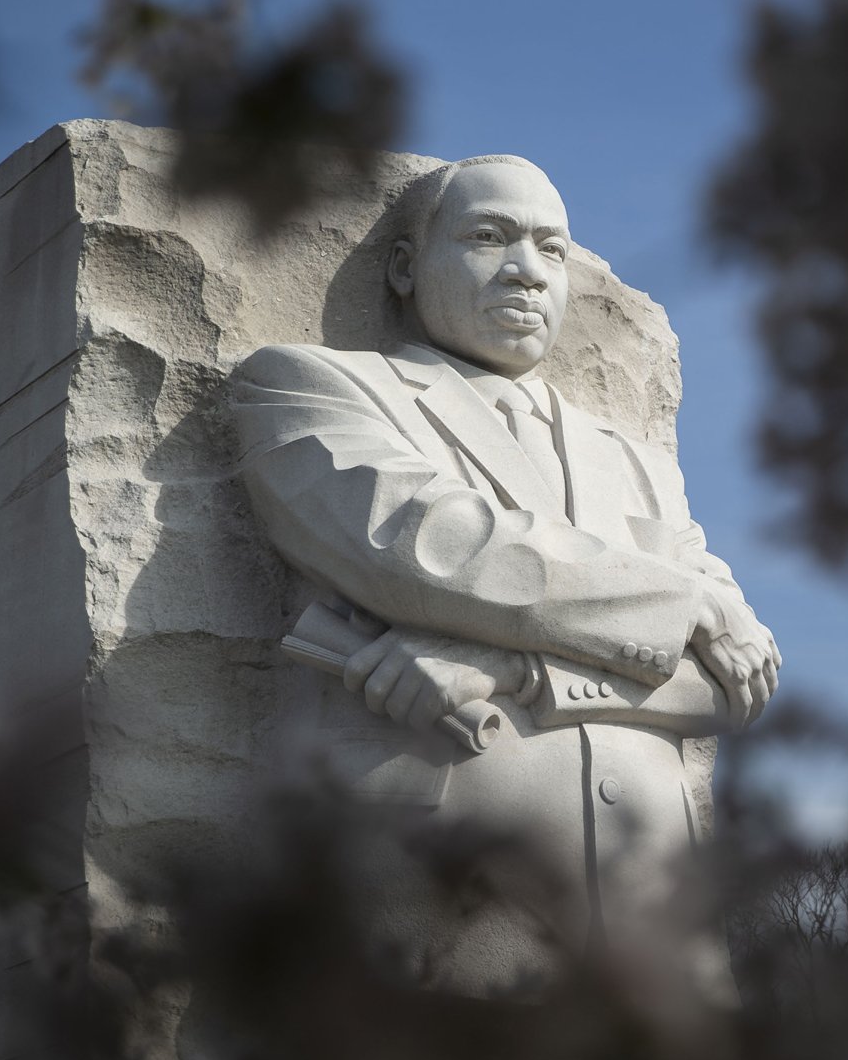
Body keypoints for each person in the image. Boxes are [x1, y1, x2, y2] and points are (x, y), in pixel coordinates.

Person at [232, 155, 780, 997]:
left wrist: (510, 667)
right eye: (489, 237)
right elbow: (442, 551)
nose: (526, 269)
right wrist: (690, 598)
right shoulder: (312, 387)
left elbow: (731, 683)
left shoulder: (635, 465)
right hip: (442, 891)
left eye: (551, 249)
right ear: (407, 268)